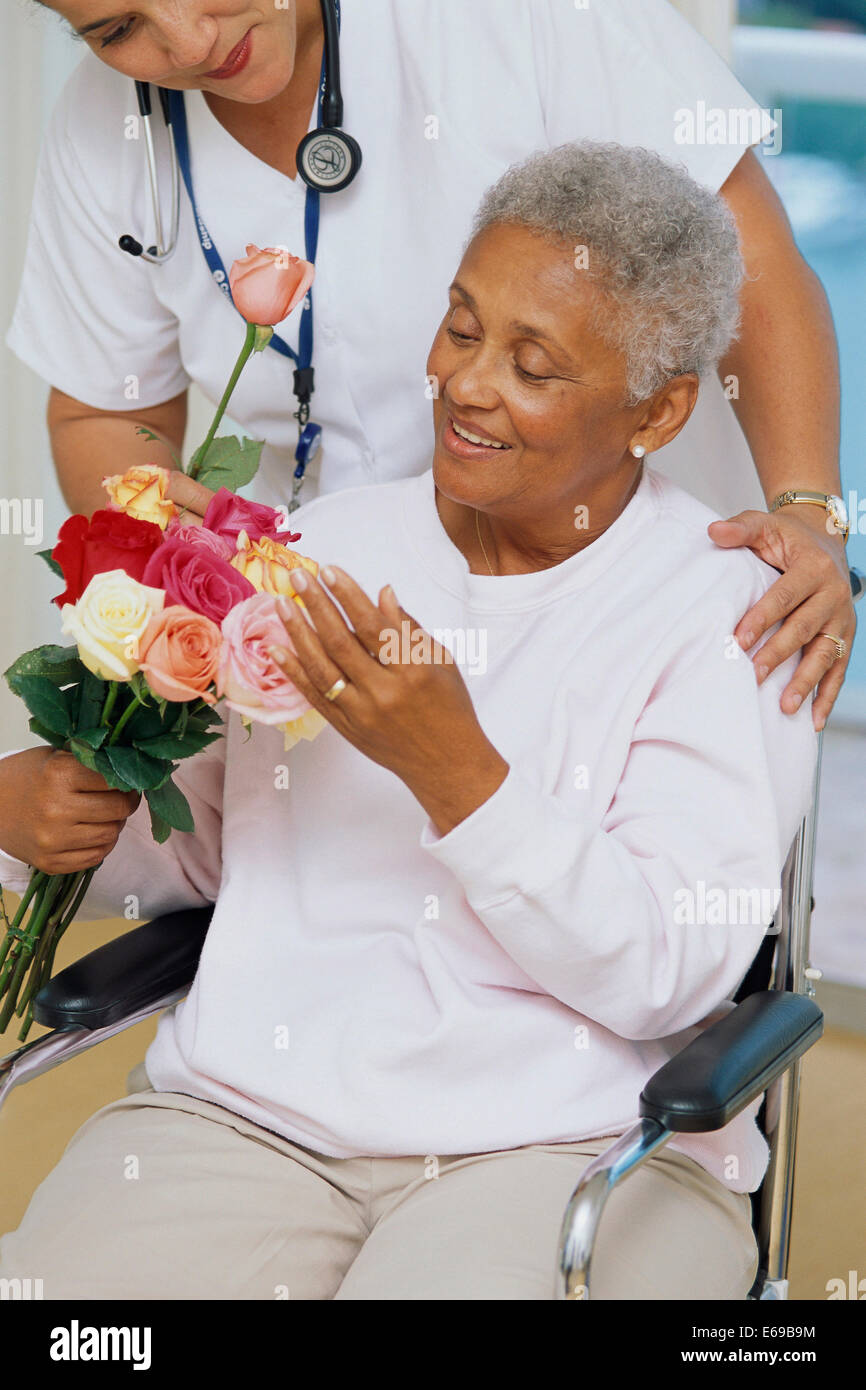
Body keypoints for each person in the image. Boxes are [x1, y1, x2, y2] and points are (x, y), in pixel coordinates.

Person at [0, 141, 818, 1300]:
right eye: (461, 328)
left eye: (533, 366)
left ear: (657, 407)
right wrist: (47, 800)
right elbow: (201, 858)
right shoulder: (324, 548)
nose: (468, 384)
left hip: (567, 1144)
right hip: (252, 1118)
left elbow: (667, 977)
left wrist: (458, 773)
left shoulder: (732, 612)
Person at [10, 0, 855, 729]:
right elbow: (108, 408)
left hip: (619, 593)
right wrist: (182, 599)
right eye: (119, 28)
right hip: (351, 633)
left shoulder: (516, 20)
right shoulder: (105, 125)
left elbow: (757, 273)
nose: (190, 42)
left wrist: (812, 510)